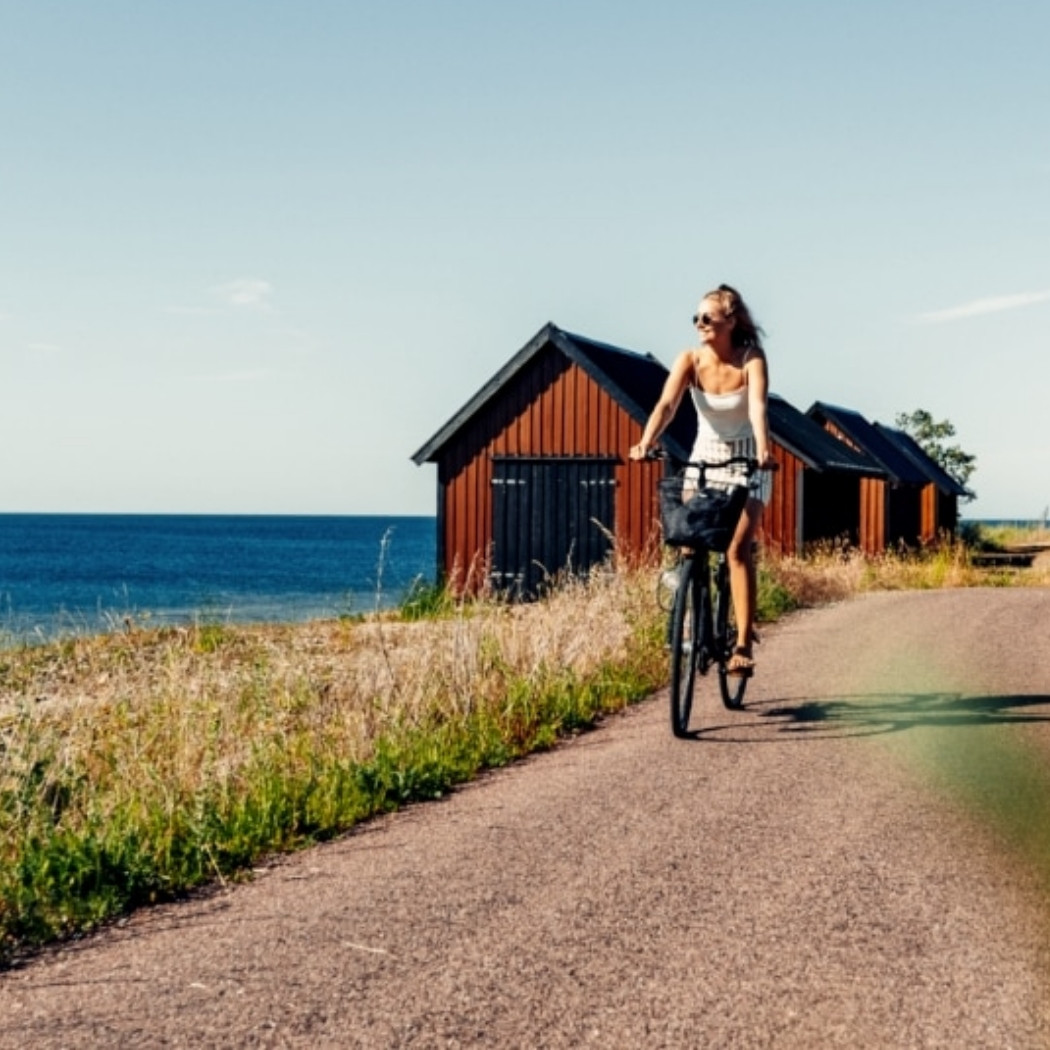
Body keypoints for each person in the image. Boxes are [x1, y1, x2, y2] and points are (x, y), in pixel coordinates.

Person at [629, 283, 774, 677]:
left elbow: (758, 409)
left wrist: (763, 450)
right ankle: (692, 619)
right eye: (696, 318)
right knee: (689, 542)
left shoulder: (751, 359)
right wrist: (645, 442)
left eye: (708, 317)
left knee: (736, 550)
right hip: (705, 455)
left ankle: (742, 643)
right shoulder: (689, 360)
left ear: (731, 320)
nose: (700, 323)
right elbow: (666, 404)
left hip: (748, 457)